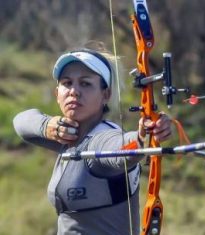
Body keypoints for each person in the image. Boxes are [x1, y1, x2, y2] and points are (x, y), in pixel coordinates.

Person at [13, 45, 172, 235]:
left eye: (85, 83)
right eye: (67, 83)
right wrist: (47, 125)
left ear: (106, 95)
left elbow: (122, 150)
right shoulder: (68, 135)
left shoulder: (102, 138)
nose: (74, 91)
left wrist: (141, 136)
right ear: (57, 94)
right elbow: (21, 122)